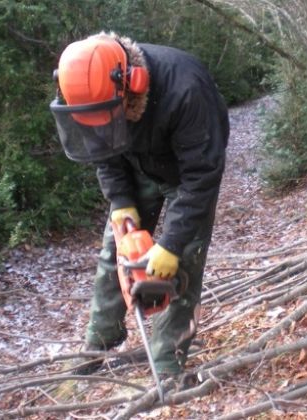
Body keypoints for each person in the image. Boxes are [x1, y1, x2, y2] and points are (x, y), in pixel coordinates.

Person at [49, 32, 228, 379]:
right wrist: (120, 202)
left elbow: (202, 175)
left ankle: (167, 363)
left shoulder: (186, 90)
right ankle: (98, 342)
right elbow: (100, 151)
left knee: (182, 259)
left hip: (186, 173)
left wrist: (170, 245)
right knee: (116, 247)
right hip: (136, 165)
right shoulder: (93, 93)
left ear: (133, 85)